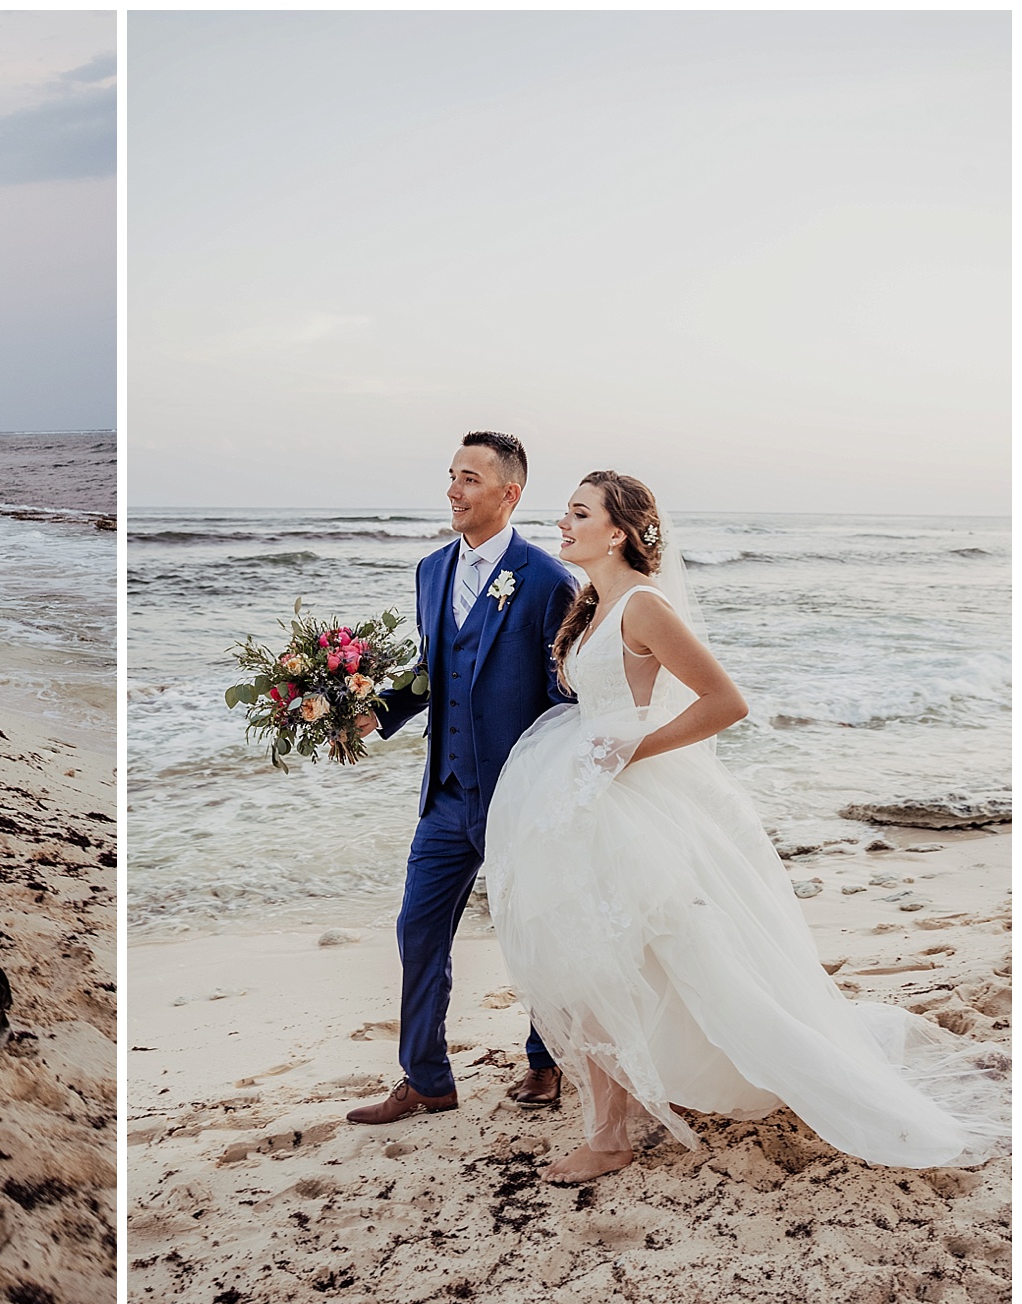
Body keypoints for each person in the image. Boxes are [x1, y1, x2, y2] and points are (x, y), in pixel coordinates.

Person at [485, 471, 1009, 1181]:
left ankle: (610, 1136)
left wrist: (634, 748)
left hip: (625, 797)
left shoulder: (643, 604)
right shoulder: (594, 600)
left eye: (579, 513)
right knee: (597, 965)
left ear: (618, 531)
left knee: (626, 963)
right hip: (579, 791)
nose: (563, 523)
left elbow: (726, 701)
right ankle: (616, 1118)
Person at [343, 431, 579, 1125]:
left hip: (521, 796)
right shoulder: (429, 570)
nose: (453, 489)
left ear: (509, 493)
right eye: (451, 475)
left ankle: (546, 1061)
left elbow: (566, 698)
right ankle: (426, 1078)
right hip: (446, 794)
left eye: (469, 478)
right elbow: (430, 672)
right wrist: (372, 712)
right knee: (418, 929)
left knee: (539, 931)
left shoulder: (548, 581)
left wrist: (567, 788)